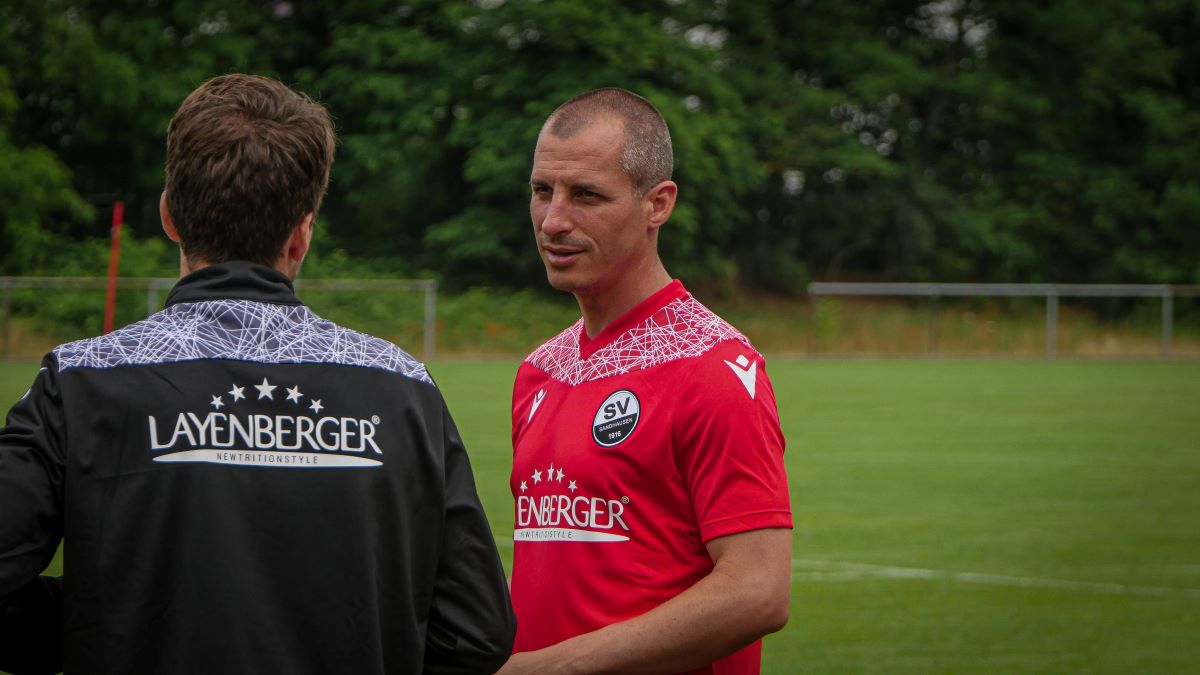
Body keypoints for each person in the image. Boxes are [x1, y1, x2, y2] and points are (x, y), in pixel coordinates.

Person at [0, 74, 515, 675]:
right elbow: (477, 631)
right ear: (303, 232)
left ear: (169, 215)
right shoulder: (402, 386)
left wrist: (103, 621)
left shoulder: (80, 378)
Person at [502, 87, 793, 674]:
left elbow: (759, 590)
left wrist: (553, 668)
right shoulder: (540, 369)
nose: (554, 220)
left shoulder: (711, 366)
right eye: (541, 191)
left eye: (586, 195)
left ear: (657, 204)